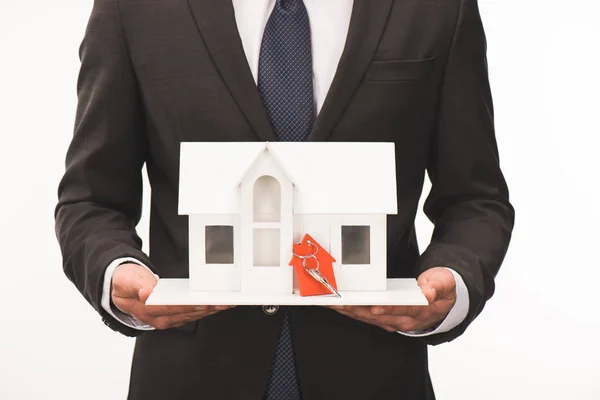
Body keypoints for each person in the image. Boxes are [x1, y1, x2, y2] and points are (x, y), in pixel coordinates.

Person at [55, 0, 514, 398]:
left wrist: (452, 280)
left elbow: (476, 197)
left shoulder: (438, 9)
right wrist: (115, 272)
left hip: (374, 375)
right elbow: (90, 199)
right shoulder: (133, 8)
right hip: (189, 377)